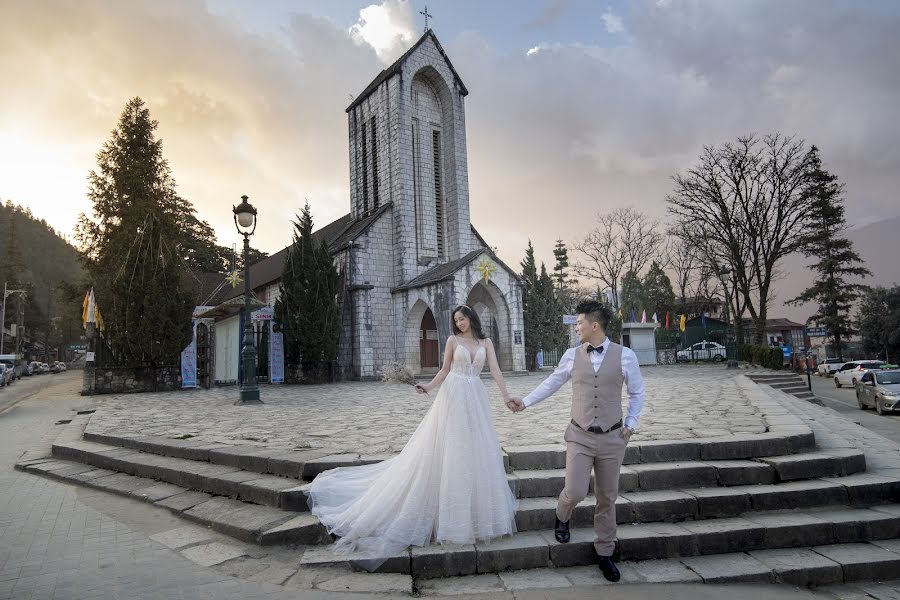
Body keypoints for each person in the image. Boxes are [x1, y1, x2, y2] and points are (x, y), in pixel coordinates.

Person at [306, 304, 518, 569]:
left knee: (474, 450)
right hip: (452, 395)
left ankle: (472, 515)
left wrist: (506, 396)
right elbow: (444, 370)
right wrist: (427, 386)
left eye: (463, 319)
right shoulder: (452, 340)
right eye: (456, 320)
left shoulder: (485, 342)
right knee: (450, 446)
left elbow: (495, 371)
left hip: (475, 397)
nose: (460, 323)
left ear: (472, 318)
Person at [508, 299, 645, 582]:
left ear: (594, 325)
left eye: (580, 323)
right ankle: (562, 514)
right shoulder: (572, 355)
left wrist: (631, 424)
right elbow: (553, 382)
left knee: (607, 497)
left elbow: (637, 393)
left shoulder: (625, 356)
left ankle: (605, 552)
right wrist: (526, 402)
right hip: (579, 435)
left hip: (612, 438)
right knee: (576, 490)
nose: (577, 328)